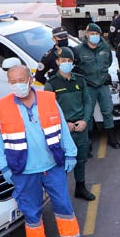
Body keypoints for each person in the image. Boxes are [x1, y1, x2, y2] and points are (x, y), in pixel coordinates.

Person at [0, 59, 94, 237]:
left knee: (64, 206)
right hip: (23, 171)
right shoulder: (0, 109)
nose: (17, 84)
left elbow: (63, 128)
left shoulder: (48, 100)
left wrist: (71, 154)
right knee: (32, 212)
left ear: (30, 79)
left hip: (52, 167)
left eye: (21, 80)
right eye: (12, 81)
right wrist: (6, 169)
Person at [46, 46, 97, 201]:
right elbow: (49, 110)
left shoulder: (80, 80)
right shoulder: (52, 84)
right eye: (63, 61)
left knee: (81, 159)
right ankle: (60, 194)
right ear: (57, 62)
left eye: (69, 61)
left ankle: (80, 188)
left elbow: (87, 101)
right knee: (61, 162)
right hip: (63, 130)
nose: (66, 63)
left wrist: (85, 121)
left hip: (80, 127)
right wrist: (63, 124)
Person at [75, 23, 120, 150]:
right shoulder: (79, 50)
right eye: (92, 34)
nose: (94, 36)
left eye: (97, 34)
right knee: (87, 114)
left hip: (102, 84)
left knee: (108, 111)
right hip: (88, 86)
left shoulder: (105, 48)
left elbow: (109, 62)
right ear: (87, 34)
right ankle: (87, 143)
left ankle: (112, 138)